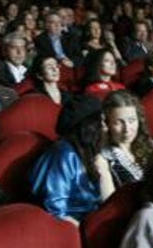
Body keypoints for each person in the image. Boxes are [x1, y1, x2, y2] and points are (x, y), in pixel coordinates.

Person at [30, 95, 104, 224]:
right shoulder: (64, 154)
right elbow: (56, 209)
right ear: (87, 126)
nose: (104, 127)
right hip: (71, 224)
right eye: (99, 122)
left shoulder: (87, 150)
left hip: (90, 219)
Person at [94, 90, 153, 202]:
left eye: (132, 120)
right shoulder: (103, 159)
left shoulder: (151, 146)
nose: (127, 129)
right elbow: (109, 204)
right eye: (119, 122)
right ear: (106, 124)